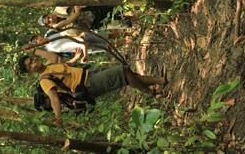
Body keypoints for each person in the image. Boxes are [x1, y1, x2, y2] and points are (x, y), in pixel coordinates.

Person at [17, 53, 167, 126]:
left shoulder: (49, 66)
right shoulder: (44, 80)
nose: (34, 63)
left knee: (129, 76)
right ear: (30, 71)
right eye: (30, 65)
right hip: (87, 85)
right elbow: (54, 98)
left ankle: (160, 82)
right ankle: (152, 92)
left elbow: (54, 56)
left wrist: (36, 49)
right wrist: (58, 117)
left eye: (32, 59)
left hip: (89, 75)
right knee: (123, 72)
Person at [38, 5, 130, 30]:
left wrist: (76, 13)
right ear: (50, 25)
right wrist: (76, 14)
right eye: (48, 22)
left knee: (121, 9)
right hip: (95, 24)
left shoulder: (59, 8)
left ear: (49, 14)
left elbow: (74, 3)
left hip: (94, 10)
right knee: (123, 23)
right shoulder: (61, 30)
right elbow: (77, 31)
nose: (51, 19)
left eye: (48, 17)